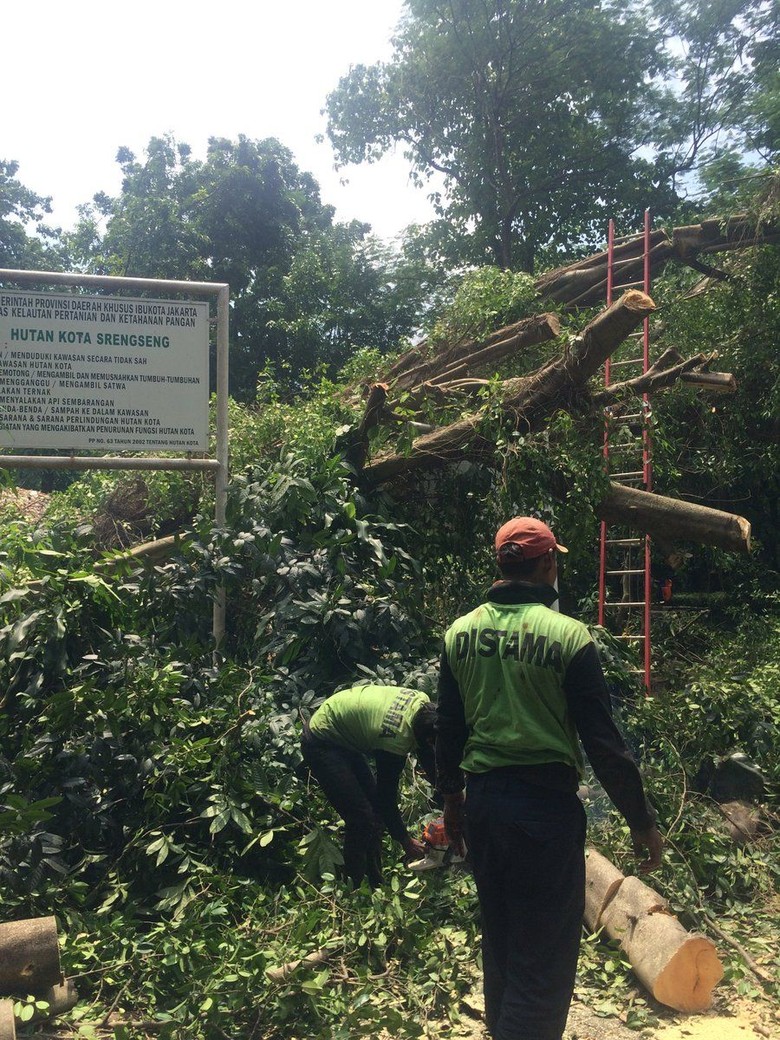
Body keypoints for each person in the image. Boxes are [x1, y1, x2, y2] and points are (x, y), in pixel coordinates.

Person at [436, 517, 663, 1040]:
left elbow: (447, 731)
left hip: (486, 809)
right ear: (546, 566)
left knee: (503, 942)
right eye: (554, 561)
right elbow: (604, 746)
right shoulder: (568, 636)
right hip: (545, 813)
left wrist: (453, 804)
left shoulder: (460, 633)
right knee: (545, 957)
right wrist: (641, 821)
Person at [301, 684, 437, 888]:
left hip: (345, 733)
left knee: (375, 815)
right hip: (322, 739)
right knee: (361, 818)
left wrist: (452, 795)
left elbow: (430, 757)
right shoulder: (394, 740)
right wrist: (405, 841)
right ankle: (352, 888)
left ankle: (375, 882)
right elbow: (386, 798)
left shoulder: (423, 704)